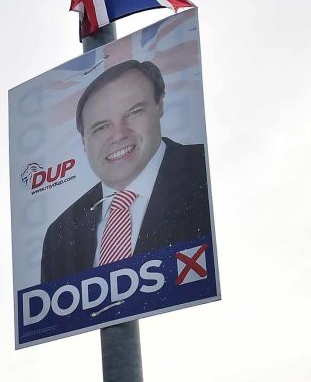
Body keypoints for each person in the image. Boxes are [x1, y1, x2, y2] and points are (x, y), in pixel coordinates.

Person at [39, 59, 211, 283]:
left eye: (134, 112)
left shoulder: (203, 170)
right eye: (101, 127)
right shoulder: (60, 234)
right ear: (84, 142)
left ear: (160, 105)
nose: (119, 135)